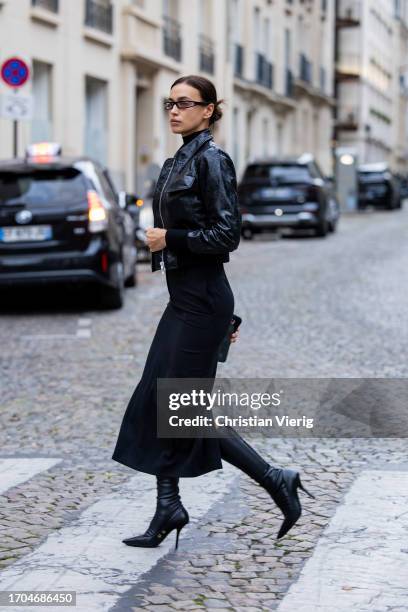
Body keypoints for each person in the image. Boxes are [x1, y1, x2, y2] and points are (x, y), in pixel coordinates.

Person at [111, 74, 314, 550]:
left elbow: (227, 235)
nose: (174, 111)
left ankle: (274, 479)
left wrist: (171, 239)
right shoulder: (176, 161)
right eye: (170, 103)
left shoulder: (212, 160)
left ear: (209, 110)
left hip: (202, 301)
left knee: (181, 408)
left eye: (185, 103)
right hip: (187, 299)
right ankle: (169, 504)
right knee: (158, 400)